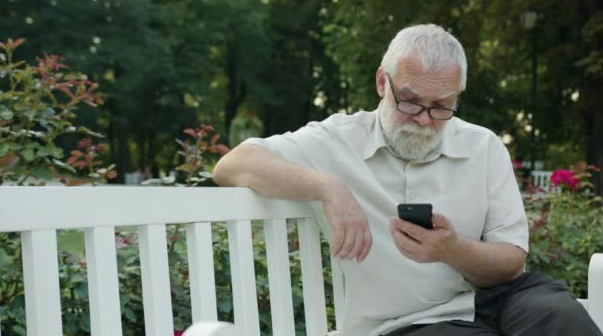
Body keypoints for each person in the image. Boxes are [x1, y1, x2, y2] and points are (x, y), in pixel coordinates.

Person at [213, 24, 602, 336]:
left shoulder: (483, 147)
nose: (424, 119)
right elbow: (232, 165)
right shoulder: (337, 140)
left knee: (562, 318)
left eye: (441, 107)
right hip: (412, 321)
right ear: (383, 82)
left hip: (505, 298)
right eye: (411, 101)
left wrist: (452, 250)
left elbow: (511, 263)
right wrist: (327, 187)